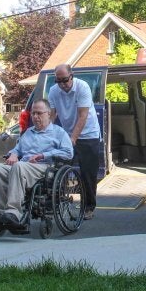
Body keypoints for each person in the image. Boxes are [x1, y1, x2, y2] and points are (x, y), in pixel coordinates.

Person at [0, 99, 73, 226]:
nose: (35, 117)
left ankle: (14, 212)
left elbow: (68, 152)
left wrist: (44, 155)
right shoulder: (28, 132)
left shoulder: (58, 132)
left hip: (44, 168)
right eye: (33, 113)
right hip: (22, 167)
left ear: (48, 114)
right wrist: (14, 154)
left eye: (39, 113)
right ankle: (0, 211)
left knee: (19, 166)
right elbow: (17, 149)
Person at [48, 64, 100, 220]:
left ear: (72, 75)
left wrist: (73, 139)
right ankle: (57, 201)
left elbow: (82, 116)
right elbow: (51, 115)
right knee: (59, 168)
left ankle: (89, 207)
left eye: (65, 80)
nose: (63, 84)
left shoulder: (82, 87)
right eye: (59, 81)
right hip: (68, 134)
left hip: (88, 134)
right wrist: (48, 135)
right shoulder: (53, 91)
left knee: (87, 173)